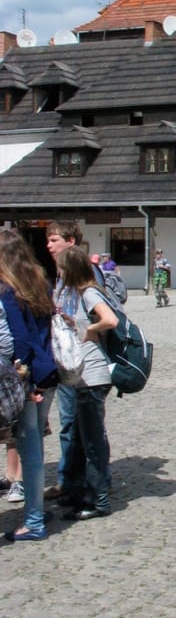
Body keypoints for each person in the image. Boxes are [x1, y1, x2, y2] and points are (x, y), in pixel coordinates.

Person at [0, 230, 58, 541]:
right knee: (34, 446)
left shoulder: (9, 291)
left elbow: (18, 340)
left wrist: (22, 376)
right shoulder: (40, 283)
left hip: (27, 378)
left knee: (29, 448)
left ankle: (34, 521)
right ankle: (35, 508)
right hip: (47, 372)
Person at [56, 246, 118, 520]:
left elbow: (110, 320)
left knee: (92, 443)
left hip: (93, 377)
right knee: (84, 440)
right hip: (84, 378)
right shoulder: (80, 294)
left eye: (61, 268)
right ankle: (86, 493)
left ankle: (99, 501)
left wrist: (88, 330)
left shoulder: (90, 292)